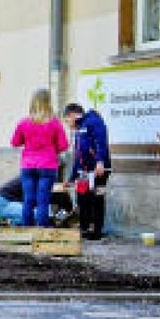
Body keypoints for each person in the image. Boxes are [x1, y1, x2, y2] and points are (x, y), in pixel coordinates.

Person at [10, 88, 69, 227]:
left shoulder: (24, 122)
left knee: (28, 200)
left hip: (28, 166)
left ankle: (27, 230)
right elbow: (63, 146)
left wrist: (29, 140)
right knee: (43, 200)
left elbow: (15, 142)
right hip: (48, 166)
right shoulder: (55, 123)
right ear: (48, 103)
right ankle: (42, 230)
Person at [64, 102, 111, 240]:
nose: (67, 124)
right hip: (84, 172)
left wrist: (100, 161)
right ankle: (84, 228)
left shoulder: (94, 121)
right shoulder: (79, 129)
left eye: (67, 120)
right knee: (82, 198)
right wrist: (72, 178)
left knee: (97, 198)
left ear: (72, 115)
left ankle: (97, 231)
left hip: (99, 169)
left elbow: (101, 141)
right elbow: (78, 155)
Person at [0, 174, 73, 231]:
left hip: (9, 202)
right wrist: (54, 221)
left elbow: (68, 208)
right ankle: (7, 223)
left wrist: (58, 219)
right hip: (3, 203)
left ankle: (9, 222)